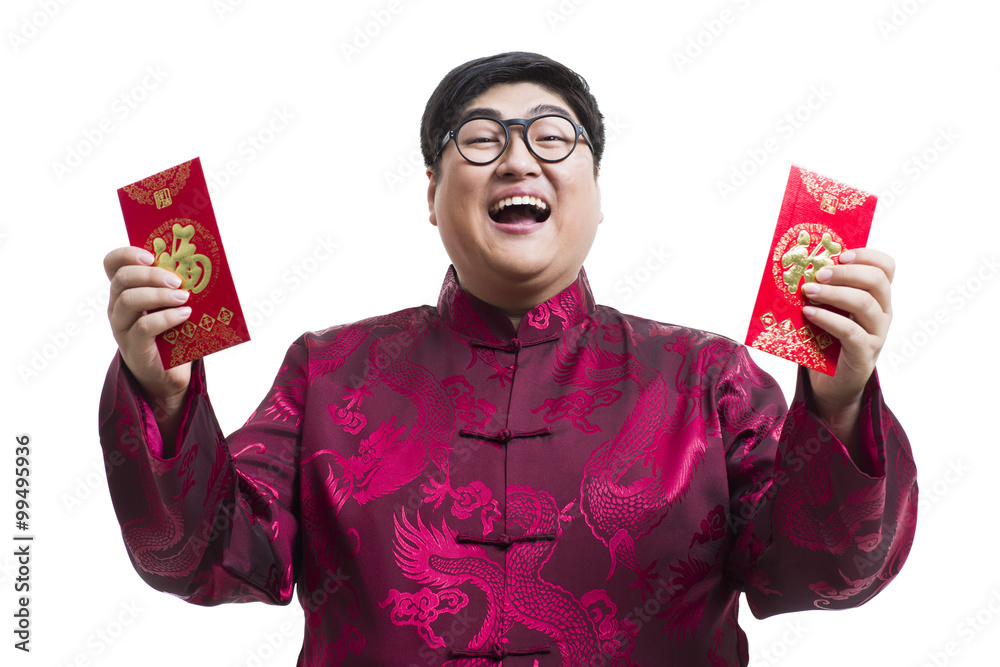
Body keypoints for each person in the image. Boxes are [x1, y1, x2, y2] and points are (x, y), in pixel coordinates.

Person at [99, 52, 917, 666]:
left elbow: (818, 573)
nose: (519, 160)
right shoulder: (330, 370)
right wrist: (162, 402)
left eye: (553, 138)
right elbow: (205, 558)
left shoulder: (708, 377)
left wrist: (839, 408)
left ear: (598, 192)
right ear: (431, 192)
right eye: (482, 139)